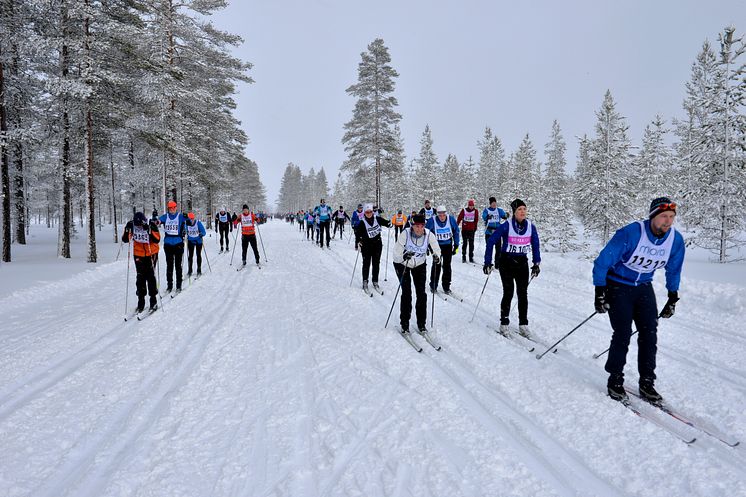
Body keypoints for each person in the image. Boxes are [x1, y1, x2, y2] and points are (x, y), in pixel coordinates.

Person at [592, 197, 685, 404]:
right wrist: (600, 291)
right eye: (663, 217)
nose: (667, 221)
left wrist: (672, 296)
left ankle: (647, 382)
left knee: (649, 334)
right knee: (623, 333)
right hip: (618, 285)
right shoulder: (631, 233)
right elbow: (602, 262)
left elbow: (674, 269)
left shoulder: (675, 241)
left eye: (671, 217)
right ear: (653, 216)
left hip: (643, 287)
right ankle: (615, 379)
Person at [483, 199, 541, 338]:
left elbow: (535, 245)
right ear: (514, 212)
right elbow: (491, 241)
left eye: (524, 209)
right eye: (519, 209)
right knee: (508, 292)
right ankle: (504, 323)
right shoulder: (506, 226)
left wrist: (536, 263)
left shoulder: (531, 227)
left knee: (523, 294)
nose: (522, 212)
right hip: (507, 262)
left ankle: (523, 324)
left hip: (522, 263)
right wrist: (487, 262)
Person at [392, 214, 442, 334]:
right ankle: (404, 324)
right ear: (412, 226)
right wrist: (404, 256)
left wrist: (437, 257)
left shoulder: (429, 234)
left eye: (422, 226)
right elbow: (396, 255)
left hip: (419, 265)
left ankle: (421, 324)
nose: (419, 229)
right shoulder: (405, 234)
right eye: (417, 226)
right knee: (407, 293)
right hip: (402, 264)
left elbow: (437, 250)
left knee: (421, 293)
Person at [122, 212, 161, 313]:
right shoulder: (132, 225)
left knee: (150, 277)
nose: (138, 226)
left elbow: (157, 240)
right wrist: (127, 229)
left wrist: (149, 230)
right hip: (138, 254)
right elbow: (125, 239)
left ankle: (153, 301)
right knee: (140, 277)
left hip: (151, 253)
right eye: (136, 225)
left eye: (140, 225)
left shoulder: (151, 224)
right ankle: (141, 302)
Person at [354, 203, 392, 293]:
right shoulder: (362, 222)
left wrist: (389, 223)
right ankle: (365, 281)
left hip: (377, 244)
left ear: (372, 212)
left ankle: (375, 281)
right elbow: (357, 233)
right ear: (364, 213)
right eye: (367, 212)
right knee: (366, 263)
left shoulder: (377, 219)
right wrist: (358, 242)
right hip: (366, 245)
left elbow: (386, 223)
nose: (369, 213)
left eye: (370, 212)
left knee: (376, 263)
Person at [426, 206, 460, 295]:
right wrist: (426, 247)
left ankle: (446, 286)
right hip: (436, 246)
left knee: (447, 266)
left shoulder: (451, 219)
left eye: (443, 214)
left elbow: (456, 231)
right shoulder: (432, 221)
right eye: (439, 214)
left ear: (445, 213)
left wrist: (456, 244)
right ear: (437, 214)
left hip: (447, 245)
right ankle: (433, 286)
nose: (441, 216)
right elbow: (426, 233)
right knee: (436, 265)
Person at [158, 200, 187, 293]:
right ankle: (169, 286)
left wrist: (187, 219)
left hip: (178, 243)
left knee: (178, 266)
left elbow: (189, 222)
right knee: (169, 266)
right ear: (168, 209)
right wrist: (155, 219)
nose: (172, 210)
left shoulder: (180, 216)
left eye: (174, 208)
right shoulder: (165, 216)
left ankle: (178, 286)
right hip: (168, 244)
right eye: (170, 208)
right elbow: (157, 221)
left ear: (176, 208)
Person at [482, 197, 509, 266]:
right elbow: (484, 216)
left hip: (497, 232)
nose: (494, 205)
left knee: (498, 248)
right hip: (489, 232)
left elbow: (504, 216)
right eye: (493, 203)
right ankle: (488, 262)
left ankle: (497, 262)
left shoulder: (499, 210)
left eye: (495, 203)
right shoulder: (487, 210)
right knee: (489, 247)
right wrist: (487, 217)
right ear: (490, 204)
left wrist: (506, 215)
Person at [457, 199, 479, 263]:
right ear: (468, 205)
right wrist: (456, 225)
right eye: (470, 206)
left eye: (472, 206)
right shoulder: (464, 210)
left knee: (471, 244)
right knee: (465, 243)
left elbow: (476, 220)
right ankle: (463, 256)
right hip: (464, 229)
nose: (471, 207)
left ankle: (471, 257)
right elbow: (459, 218)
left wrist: (475, 228)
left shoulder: (475, 211)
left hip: (471, 229)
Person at [186, 212, 206, 276]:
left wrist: (201, 234)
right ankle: (190, 270)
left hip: (198, 241)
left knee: (198, 255)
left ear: (194, 218)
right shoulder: (186, 224)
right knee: (190, 256)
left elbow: (204, 232)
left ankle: (199, 269)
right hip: (190, 241)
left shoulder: (198, 223)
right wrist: (183, 233)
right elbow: (184, 231)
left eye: (192, 219)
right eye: (190, 219)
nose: (191, 221)